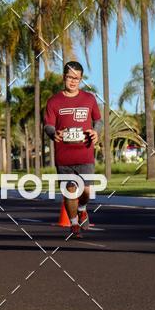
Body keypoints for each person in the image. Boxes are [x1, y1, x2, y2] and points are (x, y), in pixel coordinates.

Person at [44, 61, 102, 237]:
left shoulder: (89, 98)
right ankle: (74, 224)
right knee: (70, 191)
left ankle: (82, 209)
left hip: (85, 153)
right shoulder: (54, 101)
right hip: (64, 156)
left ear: (81, 79)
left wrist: (96, 132)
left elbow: (98, 121)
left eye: (76, 78)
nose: (73, 81)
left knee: (86, 190)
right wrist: (53, 133)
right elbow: (48, 125)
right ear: (64, 77)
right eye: (70, 77)